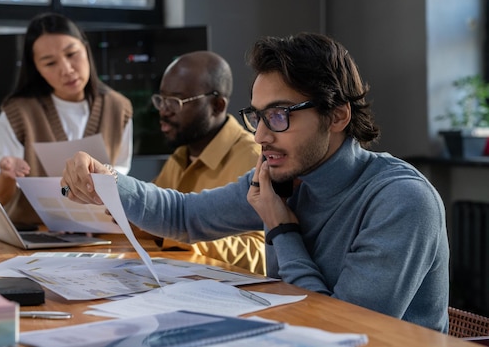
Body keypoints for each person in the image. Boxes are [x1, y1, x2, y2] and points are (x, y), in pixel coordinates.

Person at [60, 32, 450, 333]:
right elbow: (184, 216)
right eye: (258, 117)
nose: (261, 136)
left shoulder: (401, 200)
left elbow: (341, 327)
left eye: (279, 116)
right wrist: (107, 180)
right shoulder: (283, 177)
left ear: (337, 116)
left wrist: (282, 229)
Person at [0, 12, 133, 226]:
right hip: (33, 234)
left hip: (100, 235)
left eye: (72, 54)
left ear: (86, 49)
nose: (66, 69)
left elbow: (120, 179)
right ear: (37, 68)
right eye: (50, 63)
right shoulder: (17, 113)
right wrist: (8, 175)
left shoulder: (119, 108)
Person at [150, 50, 264, 274]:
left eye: (176, 101)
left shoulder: (254, 157)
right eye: (161, 99)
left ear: (217, 106)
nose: (164, 111)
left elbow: (261, 253)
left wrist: (173, 232)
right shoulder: (180, 156)